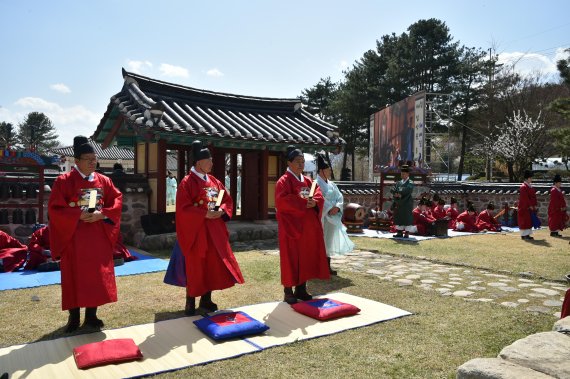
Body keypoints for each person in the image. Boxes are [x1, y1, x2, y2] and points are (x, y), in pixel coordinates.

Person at [48, 136, 123, 332]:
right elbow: (55, 209)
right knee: (74, 276)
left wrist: (102, 214)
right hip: (74, 238)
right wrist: (77, 215)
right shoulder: (63, 181)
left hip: (97, 237)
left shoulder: (104, 180)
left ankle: (92, 316)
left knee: (96, 277)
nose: (92, 162)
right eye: (87, 158)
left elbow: (116, 202)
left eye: (94, 158)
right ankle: (74, 318)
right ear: (77, 161)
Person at [175, 140, 244, 315]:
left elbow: (226, 200)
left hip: (214, 231)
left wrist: (221, 210)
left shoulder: (214, 181)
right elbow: (183, 208)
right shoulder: (186, 182)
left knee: (211, 266)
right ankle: (190, 301)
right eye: (209, 160)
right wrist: (203, 214)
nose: (212, 163)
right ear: (199, 162)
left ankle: (206, 300)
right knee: (195, 267)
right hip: (197, 232)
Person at [275, 145, 329, 304]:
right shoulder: (283, 181)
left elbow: (318, 196)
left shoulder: (307, 181)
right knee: (291, 258)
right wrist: (302, 202)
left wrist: (315, 203)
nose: (301, 164)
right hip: (291, 227)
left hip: (307, 228)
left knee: (305, 257)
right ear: (289, 163)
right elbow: (281, 201)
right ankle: (288, 290)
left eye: (303, 161)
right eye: (298, 161)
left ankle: (301, 288)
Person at [315, 153, 354, 275]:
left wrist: (337, 207)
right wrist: (329, 208)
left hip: (332, 216)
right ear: (321, 171)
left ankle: (327, 265)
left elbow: (339, 196)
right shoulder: (315, 183)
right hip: (323, 217)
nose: (330, 172)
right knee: (321, 241)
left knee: (329, 241)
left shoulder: (332, 184)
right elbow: (318, 198)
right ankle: (318, 267)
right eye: (328, 169)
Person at [391, 165, 414, 238]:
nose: (402, 175)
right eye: (401, 173)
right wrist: (395, 194)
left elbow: (408, 190)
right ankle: (399, 232)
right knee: (399, 217)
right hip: (399, 202)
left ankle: (407, 232)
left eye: (404, 173)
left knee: (407, 217)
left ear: (408, 174)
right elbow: (393, 189)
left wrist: (400, 193)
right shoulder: (398, 182)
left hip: (407, 202)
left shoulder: (410, 182)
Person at [518, 170, 538, 240]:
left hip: (530, 207)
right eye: (530, 178)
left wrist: (535, 205)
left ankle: (528, 234)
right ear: (527, 178)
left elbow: (534, 197)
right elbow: (525, 198)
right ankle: (524, 235)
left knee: (529, 221)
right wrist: (529, 206)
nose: (531, 179)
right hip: (525, 207)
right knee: (525, 221)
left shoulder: (530, 187)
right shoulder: (523, 187)